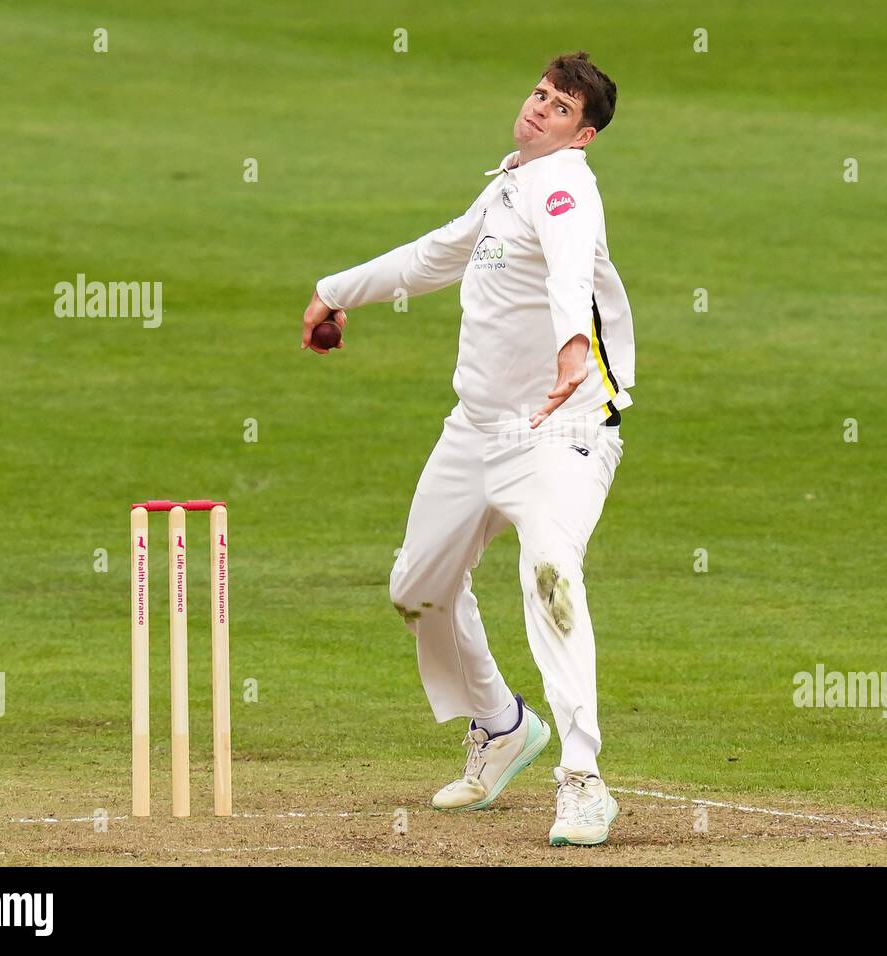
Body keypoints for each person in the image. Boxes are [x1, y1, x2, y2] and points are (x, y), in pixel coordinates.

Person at [301, 51, 634, 847]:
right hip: (476, 428)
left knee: (550, 570)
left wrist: (571, 345)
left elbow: (565, 266)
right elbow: (434, 256)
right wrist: (334, 291)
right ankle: (501, 724)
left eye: (558, 109)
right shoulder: (509, 186)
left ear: (582, 136)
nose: (539, 109)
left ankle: (583, 781)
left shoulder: (565, 188)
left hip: (562, 431)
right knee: (418, 587)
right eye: (539, 94)